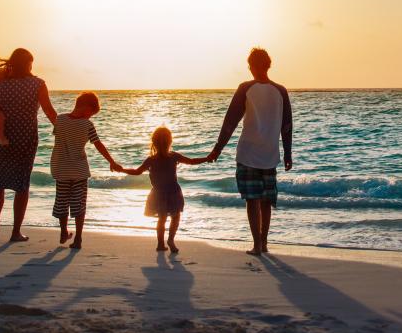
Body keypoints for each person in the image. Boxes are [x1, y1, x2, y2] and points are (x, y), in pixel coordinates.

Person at [207, 48, 293, 256]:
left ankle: (257, 245)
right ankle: (263, 243)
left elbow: (230, 121)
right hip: (270, 155)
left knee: (252, 200)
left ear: (251, 66)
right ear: (268, 65)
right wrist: (288, 153)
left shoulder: (245, 88)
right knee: (265, 201)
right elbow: (287, 125)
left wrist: (218, 148)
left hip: (247, 154)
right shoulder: (281, 90)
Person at [0, 48, 58, 242]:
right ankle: (16, 231)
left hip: (3, 138)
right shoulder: (38, 84)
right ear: (28, 64)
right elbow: (49, 111)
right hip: (26, 138)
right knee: (22, 184)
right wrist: (62, 129)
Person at [117, 126, 209, 253]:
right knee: (175, 217)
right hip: (173, 192)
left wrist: (122, 169)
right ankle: (170, 240)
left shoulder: (151, 160)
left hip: (158, 193)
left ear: (154, 143)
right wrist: (207, 158)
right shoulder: (174, 156)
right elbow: (192, 161)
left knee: (162, 218)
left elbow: (137, 171)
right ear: (170, 141)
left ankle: (160, 244)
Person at [51, 92, 121, 250]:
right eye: (92, 113)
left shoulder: (60, 119)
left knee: (62, 201)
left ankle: (63, 232)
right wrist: (111, 161)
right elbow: (98, 144)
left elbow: (58, 138)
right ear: (86, 107)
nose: (91, 117)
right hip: (79, 171)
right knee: (79, 204)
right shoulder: (87, 125)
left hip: (61, 169)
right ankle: (78, 238)